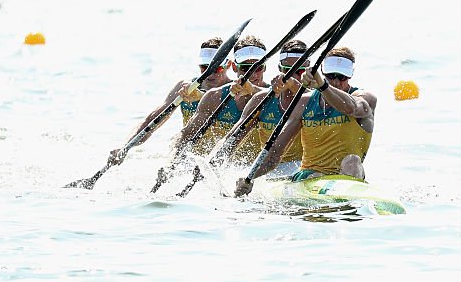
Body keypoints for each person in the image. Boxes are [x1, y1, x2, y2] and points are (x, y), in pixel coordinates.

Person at [234, 46, 376, 196]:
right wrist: (250, 178)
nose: (336, 81)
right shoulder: (304, 103)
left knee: (352, 161)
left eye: (342, 77)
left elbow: (350, 108)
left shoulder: (365, 99)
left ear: (351, 75)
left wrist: (323, 86)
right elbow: (275, 153)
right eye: (331, 76)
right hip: (311, 176)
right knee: (315, 175)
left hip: (347, 175)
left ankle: (348, 209)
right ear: (323, 72)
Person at [107, 37, 230, 164]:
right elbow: (151, 121)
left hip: (221, 162)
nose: (210, 74)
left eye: (217, 69)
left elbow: (215, 99)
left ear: (229, 65)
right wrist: (125, 147)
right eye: (205, 68)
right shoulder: (184, 88)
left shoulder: (239, 91)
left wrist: (201, 96)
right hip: (188, 156)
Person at [217, 39, 309, 178]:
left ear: (309, 70)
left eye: (300, 71)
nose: (295, 76)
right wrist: (213, 163)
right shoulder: (261, 99)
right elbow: (232, 138)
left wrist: (294, 85)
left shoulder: (317, 99)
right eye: (288, 71)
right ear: (279, 69)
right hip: (267, 170)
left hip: (303, 170)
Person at [171, 35, 269, 163]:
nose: (253, 74)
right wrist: (170, 165)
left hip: (263, 167)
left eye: (258, 67)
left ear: (265, 68)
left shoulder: (278, 94)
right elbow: (185, 135)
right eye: (245, 68)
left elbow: (301, 98)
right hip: (228, 166)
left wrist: (253, 90)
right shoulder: (215, 96)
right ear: (234, 67)